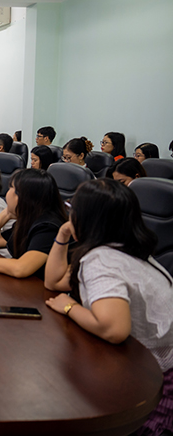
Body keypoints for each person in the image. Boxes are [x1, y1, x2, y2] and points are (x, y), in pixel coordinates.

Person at [43, 179, 173, 436]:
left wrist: (69, 307)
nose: (69, 213)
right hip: (143, 365)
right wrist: (63, 233)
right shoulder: (123, 248)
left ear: (87, 218)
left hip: (155, 384)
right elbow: (53, 282)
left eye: (72, 209)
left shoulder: (102, 260)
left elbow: (114, 329)